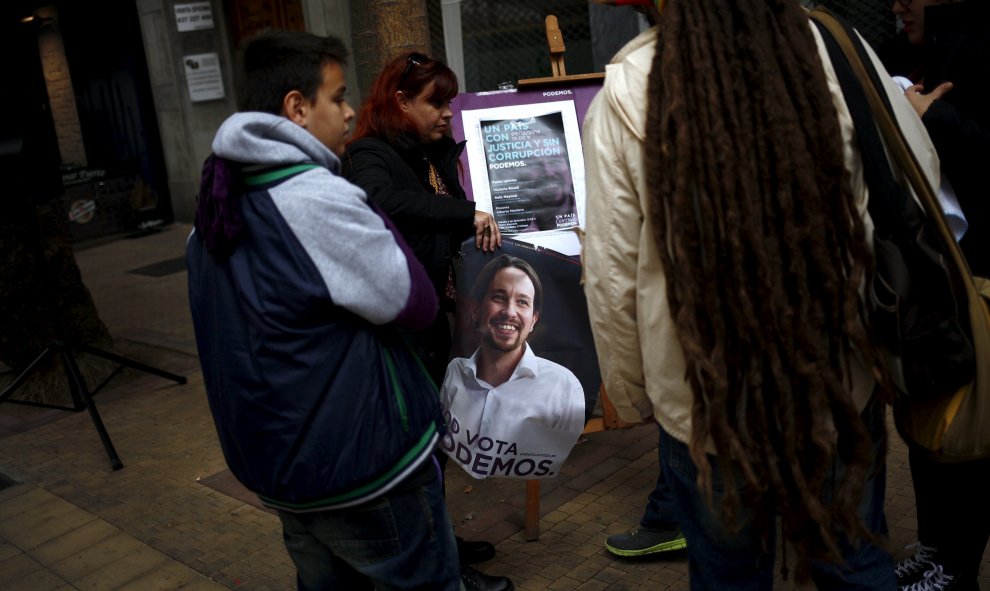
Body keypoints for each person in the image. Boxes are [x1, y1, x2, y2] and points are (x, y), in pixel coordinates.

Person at [582, 0, 943, 588]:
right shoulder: (837, 47)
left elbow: (611, 273)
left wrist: (632, 393)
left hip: (704, 403)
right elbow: (918, 183)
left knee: (729, 579)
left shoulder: (630, 85)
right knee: (855, 565)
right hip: (836, 383)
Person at [186, 31, 460, 590]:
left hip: (280, 466)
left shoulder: (217, 205)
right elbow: (416, 302)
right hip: (360, 467)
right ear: (297, 108)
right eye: (336, 97)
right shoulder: (313, 197)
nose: (350, 110)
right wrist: (358, 200)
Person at [342, 51, 511, 591]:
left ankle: (442, 545)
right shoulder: (370, 152)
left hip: (441, 316)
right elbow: (382, 200)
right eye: (435, 102)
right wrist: (467, 214)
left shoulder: (432, 152)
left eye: (450, 102)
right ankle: (441, 568)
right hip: (403, 323)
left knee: (435, 447)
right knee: (417, 453)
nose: (447, 113)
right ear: (400, 101)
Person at [884, 2, 990, 589]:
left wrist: (933, 118)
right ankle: (935, 547)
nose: (899, 3)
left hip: (980, 275)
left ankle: (957, 566)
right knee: (928, 413)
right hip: (938, 273)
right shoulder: (913, 50)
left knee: (968, 433)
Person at [440, 255, 585, 479]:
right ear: (476, 310)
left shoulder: (564, 388)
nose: (509, 311)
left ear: (534, 319)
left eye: (522, 302)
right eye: (499, 297)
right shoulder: (453, 374)